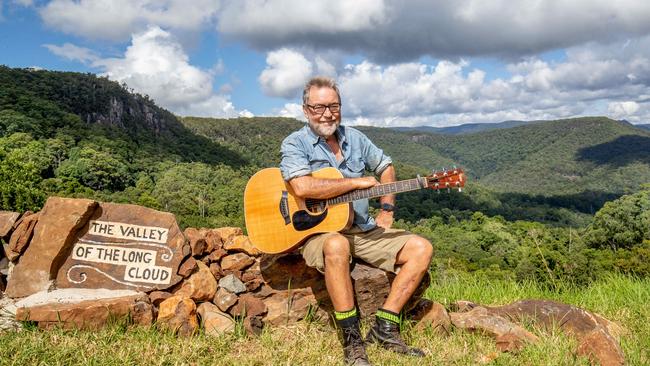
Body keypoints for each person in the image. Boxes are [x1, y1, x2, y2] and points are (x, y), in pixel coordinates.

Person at [279, 76, 433, 365]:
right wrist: (354, 184)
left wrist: (387, 209)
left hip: (361, 228)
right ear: (305, 110)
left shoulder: (356, 138)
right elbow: (301, 188)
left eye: (334, 106)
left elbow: (386, 166)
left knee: (421, 248)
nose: (327, 114)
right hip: (318, 233)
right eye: (319, 107)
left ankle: (385, 327)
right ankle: (352, 341)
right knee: (336, 244)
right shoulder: (295, 143)